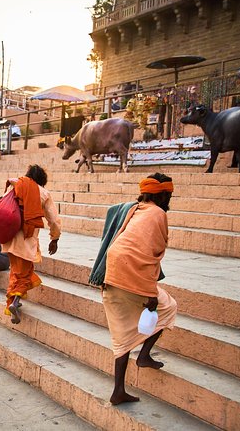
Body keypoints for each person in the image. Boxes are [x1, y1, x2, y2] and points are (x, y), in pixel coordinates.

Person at [88, 173, 177, 406]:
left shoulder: (134, 208)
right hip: (132, 276)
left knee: (121, 339)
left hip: (111, 274)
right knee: (168, 308)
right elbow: (149, 256)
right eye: (169, 195)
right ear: (164, 195)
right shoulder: (158, 214)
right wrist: (150, 294)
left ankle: (118, 391)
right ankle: (144, 355)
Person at [1, 165, 62, 325]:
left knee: (16, 269)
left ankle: (15, 300)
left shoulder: (16, 185)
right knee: (24, 273)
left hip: (9, 236)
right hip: (26, 240)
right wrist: (54, 238)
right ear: (42, 180)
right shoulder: (43, 193)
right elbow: (53, 220)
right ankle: (14, 302)